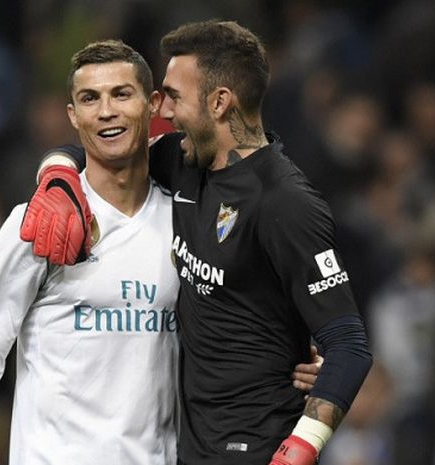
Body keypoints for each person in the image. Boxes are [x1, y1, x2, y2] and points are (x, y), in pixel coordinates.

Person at [0, 39, 320, 465]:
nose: (106, 111)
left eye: (121, 94)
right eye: (89, 98)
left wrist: (293, 352)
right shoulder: (41, 222)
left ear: (153, 103)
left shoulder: (184, 219)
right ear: (73, 116)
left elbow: (233, 315)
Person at [21, 20, 372, 465]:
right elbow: (102, 149)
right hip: (189, 451)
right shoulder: (184, 161)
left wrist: (298, 450)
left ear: (220, 102)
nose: (162, 111)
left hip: (257, 450)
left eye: (174, 96)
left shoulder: (286, 203)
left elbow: (348, 346)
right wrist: (57, 176)